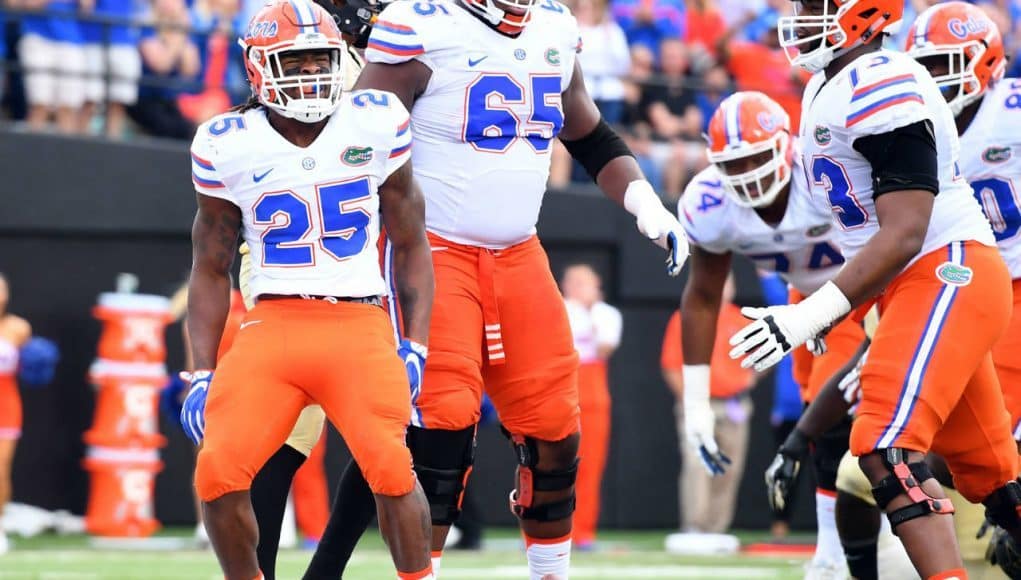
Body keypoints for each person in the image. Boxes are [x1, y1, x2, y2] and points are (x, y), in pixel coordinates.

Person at [305, 0, 690, 576]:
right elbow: (350, 144)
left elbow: (589, 135)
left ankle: (550, 571)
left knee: (556, 430)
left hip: (518, 251)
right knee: (441, 430)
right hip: (431, 249)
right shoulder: (419, 23)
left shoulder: (555, 26)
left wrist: (645, 204)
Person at [728, 2, 1021, 577]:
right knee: (990, 477)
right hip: (916, 284)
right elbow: (862, 234)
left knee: (885, 446)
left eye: (817, 6)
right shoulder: (829, 86)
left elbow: (907, 230)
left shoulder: (881, 80)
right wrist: (833, 310)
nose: (803, 17)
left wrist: (811, 313)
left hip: (947, 270)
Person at [179, 1, 435, 578]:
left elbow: (412, 241)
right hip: (273, 324)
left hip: (360, 322)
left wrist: (414, 342)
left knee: (393, 469)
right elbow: (211, 267)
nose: (311, 74)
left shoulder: (375, 119)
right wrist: (199, 372)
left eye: (321, 59)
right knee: (217, 473)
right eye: (294, 64)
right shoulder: (227, 143)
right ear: (259, 68)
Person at [678, 90, 862, 576]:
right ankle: (837, 550)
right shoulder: (710, 202)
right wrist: (697, 401)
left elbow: (892, 239)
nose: (748, 174)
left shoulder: (824, 173)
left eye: (758, 157)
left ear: (787, 144)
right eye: (733, 164)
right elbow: (702, 296)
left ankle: (834, 555)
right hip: (804, 304)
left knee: (837, 416)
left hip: (867, 291)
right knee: (821, 417)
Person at [661, 274, 753, 538]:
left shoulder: (742, 319)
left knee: (730, 466)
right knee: (696, 463)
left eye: (728, 282)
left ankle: (716, 528)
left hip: (734, 404)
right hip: (700, 403)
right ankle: (695, 526)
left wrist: (748, 378)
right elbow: (671, 366)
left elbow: (761, 357)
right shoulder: (685, 317)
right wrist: (690, 401)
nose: (723, 287)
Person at [561, 263, 622, 550]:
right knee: (552, 465)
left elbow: (604, 347)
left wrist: (590, 313)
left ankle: (583, 532)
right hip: (561, 390)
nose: (590, 289)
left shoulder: (607, 314)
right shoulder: (558, 308)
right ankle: (543, 530)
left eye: (592, 283)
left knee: (590, 466)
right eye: (581, 283)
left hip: (594, 395)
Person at [0, 274, 32, 556]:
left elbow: (32, 370)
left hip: (5, 406)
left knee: (1, 470)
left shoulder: (18, 328)